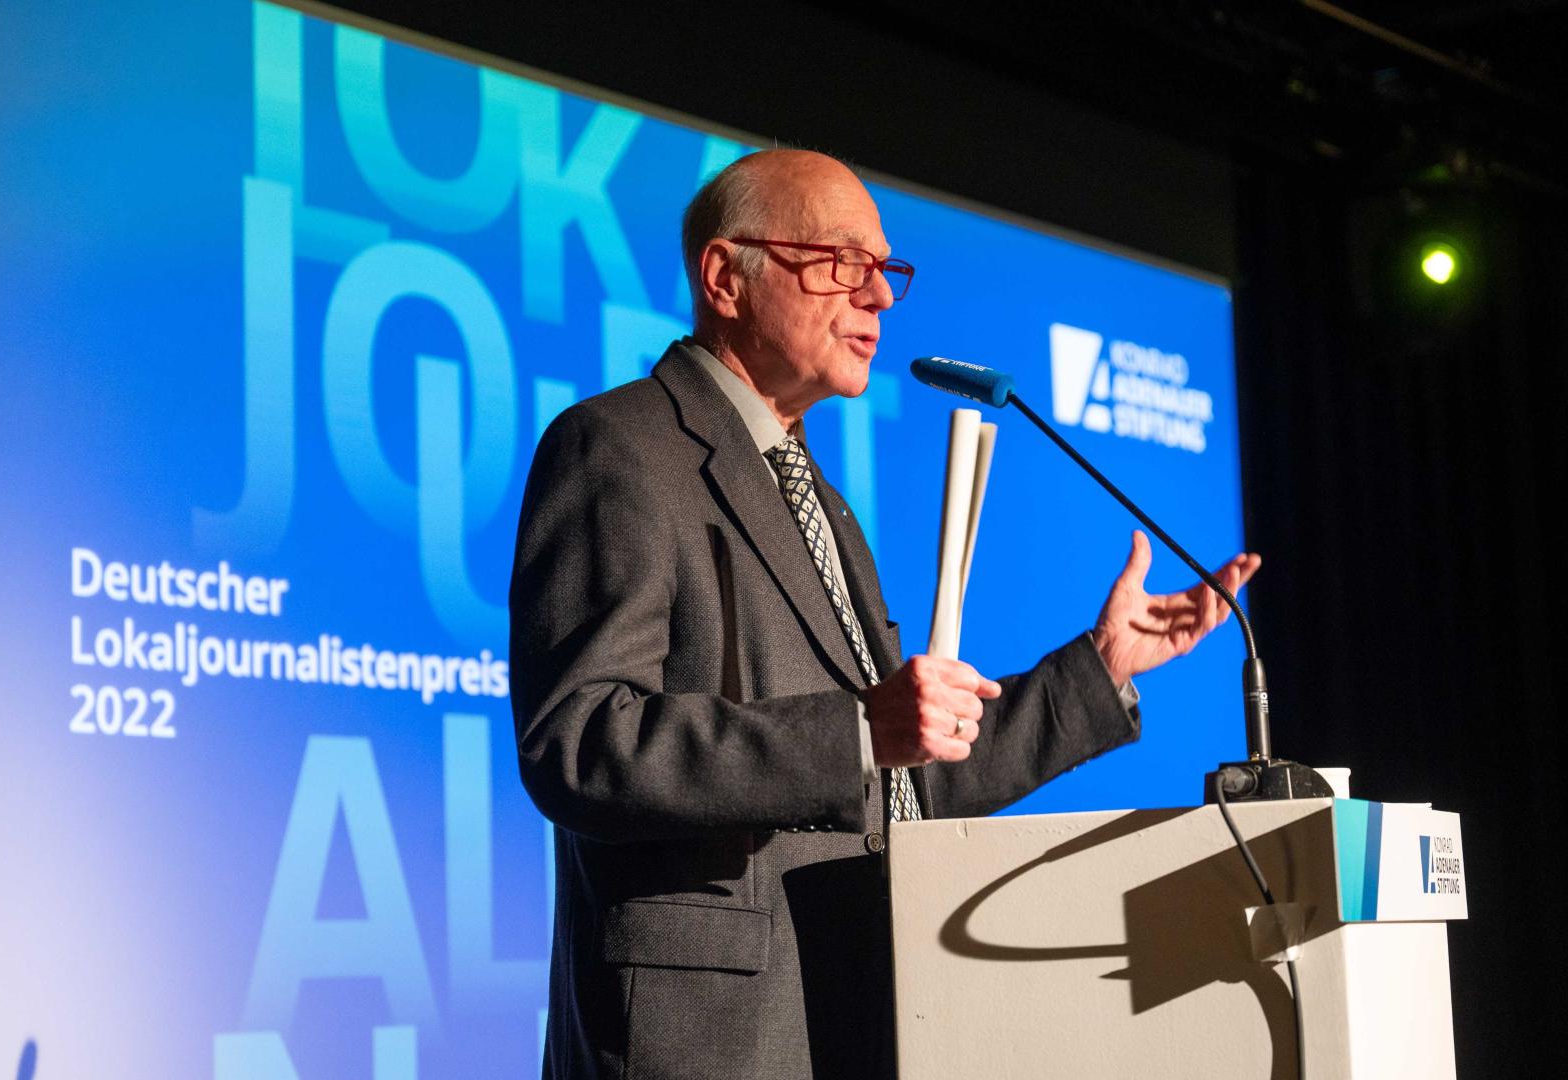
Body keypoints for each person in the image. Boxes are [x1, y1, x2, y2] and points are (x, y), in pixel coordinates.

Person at [509, 149, 1258, 1080]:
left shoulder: (819, 501)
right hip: (705, 1035)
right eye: (839, 262)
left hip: (855, 1008)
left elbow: (900, 783)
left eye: (883, 270)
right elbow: (580, 743)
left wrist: (1099, 669)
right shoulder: (618, 447)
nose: (876, 297)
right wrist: (857, 730)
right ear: (724, 277)